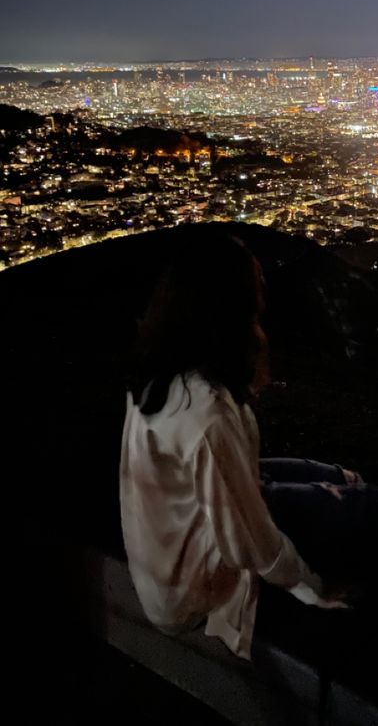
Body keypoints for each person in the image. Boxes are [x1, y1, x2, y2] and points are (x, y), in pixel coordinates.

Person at [120, 234, 354, 661]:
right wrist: (312, 589)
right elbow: (249, 545)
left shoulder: (160, 373)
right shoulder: (204, 411)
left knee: (323, 476)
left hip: (165, 556)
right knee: (352, 509)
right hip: (189, 589)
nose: (262, 301)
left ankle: (352, 485)